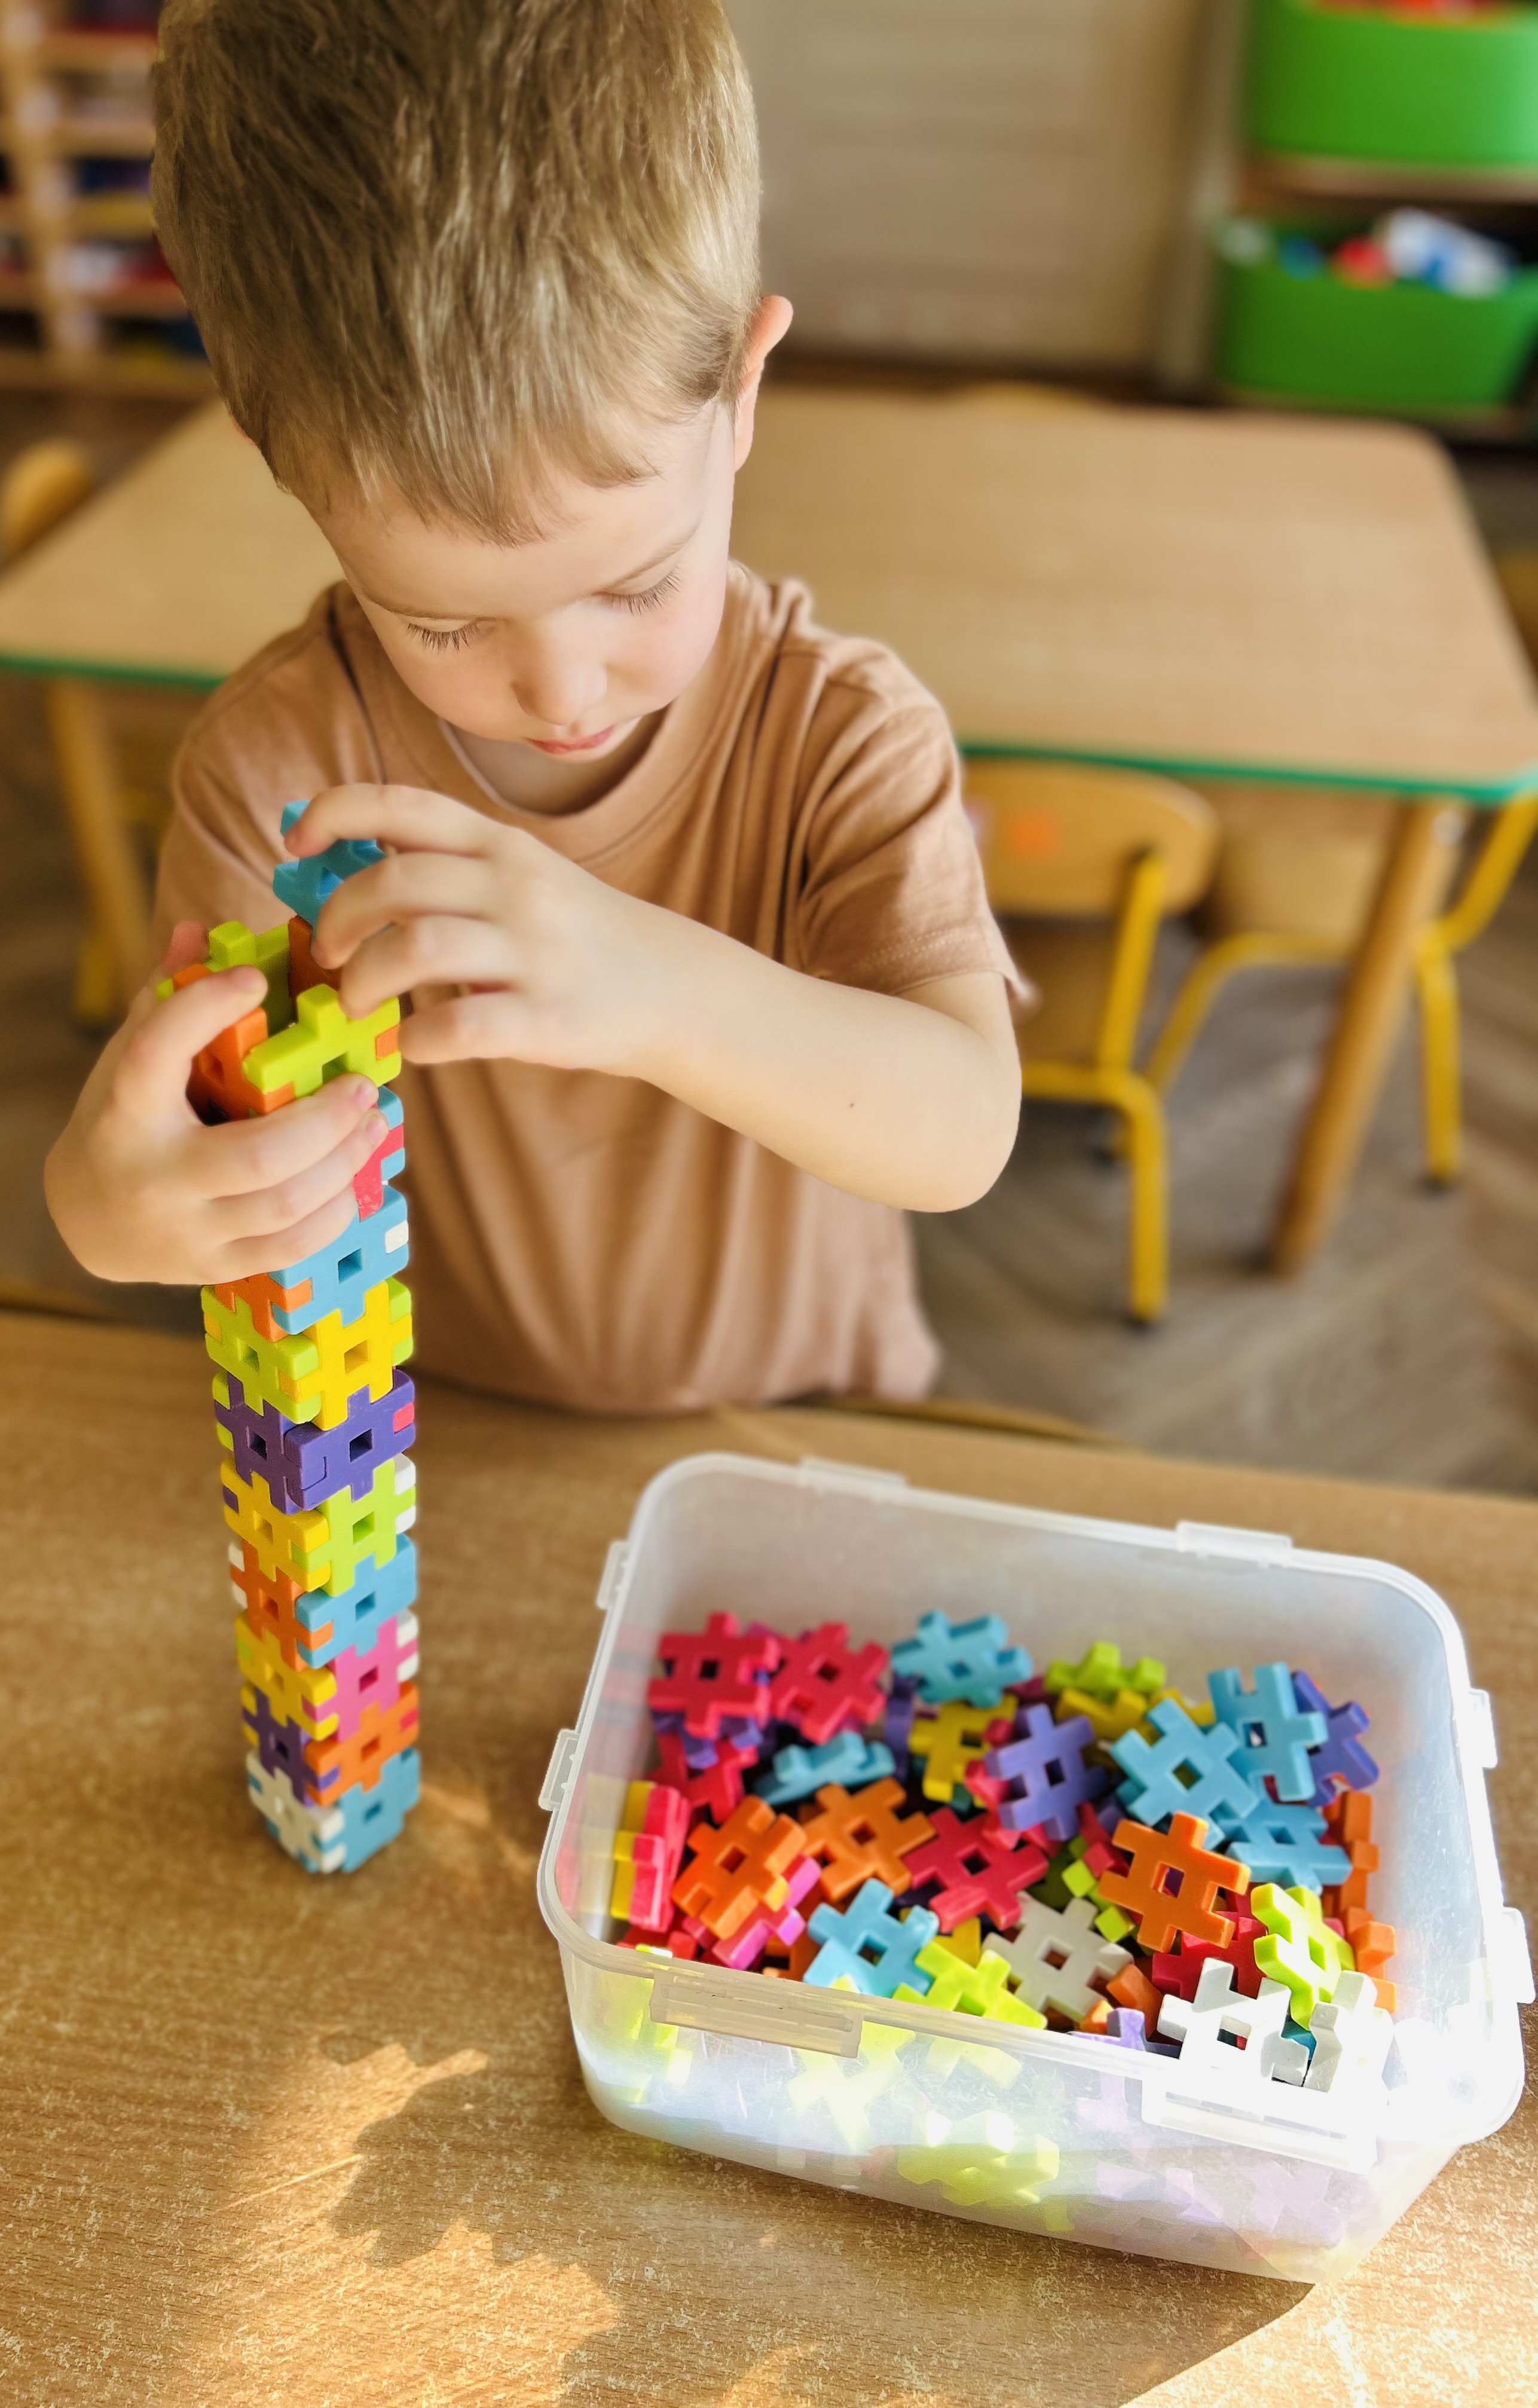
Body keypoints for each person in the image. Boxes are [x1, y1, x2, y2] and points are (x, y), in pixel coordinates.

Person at [45, 0, 1022, 1414]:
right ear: (283, 466)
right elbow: (188, 1138)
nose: (559, 690)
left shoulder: (842, 735)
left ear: (742, 391)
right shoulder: (275, 770)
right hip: (449, 1432)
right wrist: (109, 1208)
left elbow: (964, 1128)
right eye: (440, 621)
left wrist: (651, 987)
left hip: (797, 1417)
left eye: (636, 584)